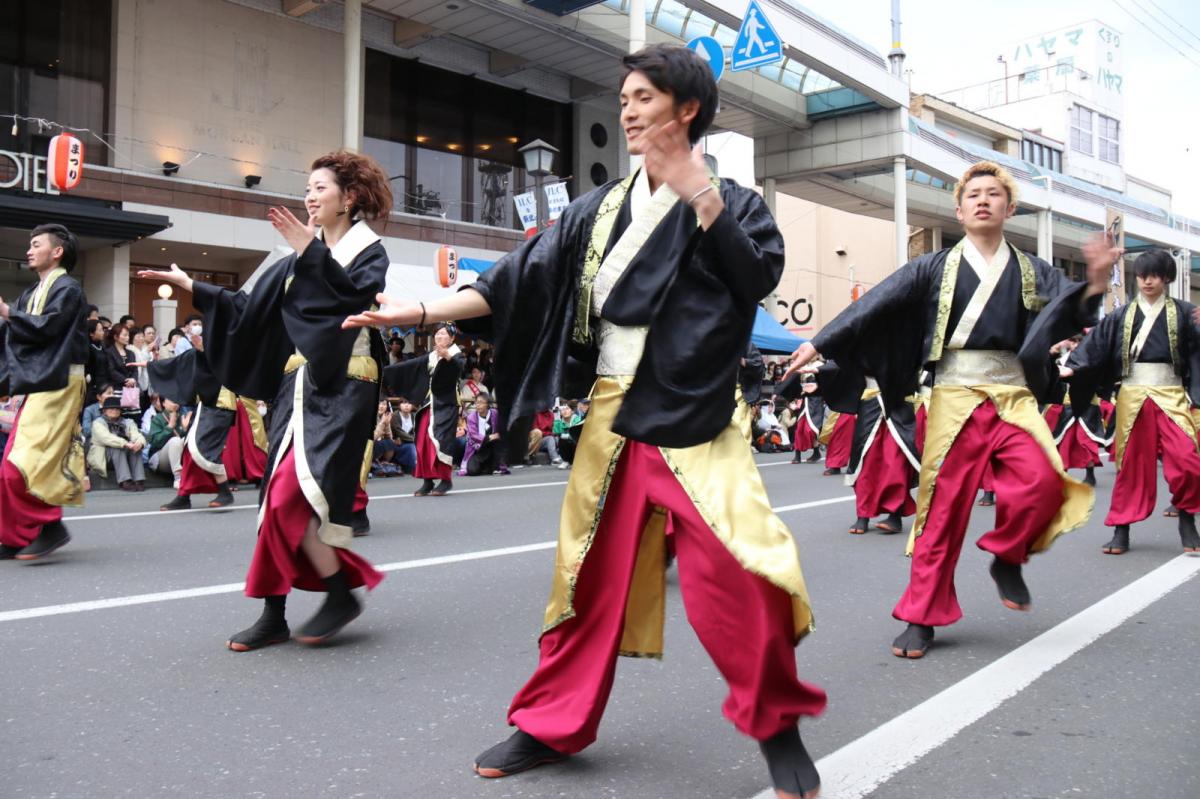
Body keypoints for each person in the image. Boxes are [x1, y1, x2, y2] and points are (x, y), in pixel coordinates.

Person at [344, 44, 824, 799]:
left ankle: (777, 724)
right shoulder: (598, 209)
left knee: (737, 571)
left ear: (686, 109)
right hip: (611, 412)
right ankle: (551, 719)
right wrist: (422, 309)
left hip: (695, 415)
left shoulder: (734, 199)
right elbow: (515, 281)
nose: (627, 110)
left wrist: (702, 196)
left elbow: (756, 274)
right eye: (624, 97)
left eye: (642, 97)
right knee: (584, 577)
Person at [786, 160, 1115, 660]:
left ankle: (1007, 555)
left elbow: (1072, 310)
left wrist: (1095, 280)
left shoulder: (1032, 269)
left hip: (1012, 395)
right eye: (973, 195)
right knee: (941, 511)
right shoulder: (932, 267)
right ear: (959, 211)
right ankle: (921, 615)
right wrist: (820, 342)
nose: (983, 200)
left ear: (1010, 208)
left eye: (993, 194)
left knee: (1046, 483)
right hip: (954, 396)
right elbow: (875, 303)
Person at [141, 149, 391, 650]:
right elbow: (248, 309)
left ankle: (334, 593)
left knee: (295, 495)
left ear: (352, 197)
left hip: (344, 383)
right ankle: (277, 612)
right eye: (308, 188)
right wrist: (192, 285)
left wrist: (308, 252)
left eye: (320, 188)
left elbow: (348, 301)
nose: (309, 196)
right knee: (274, 501)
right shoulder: (297, 256)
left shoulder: (369, 251)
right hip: (294, 385)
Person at [1063, 249, 1200, 555]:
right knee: (1131, 465)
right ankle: (1121, 528)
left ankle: (1187, 518)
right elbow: (1095, 345)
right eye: (1141, 275)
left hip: (1172, 394)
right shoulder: (1121, 315)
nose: (1146, 281)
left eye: (1153, 275)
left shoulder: (1186, 312)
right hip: (1132, 395)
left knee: (1189, 460)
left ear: (1166, 277)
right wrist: (1073, 365)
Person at [0, 223, 89, 561]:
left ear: (57, 252)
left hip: (60, 381)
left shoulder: (67, 288)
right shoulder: (31, 293)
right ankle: (13, 537)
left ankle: (50, 526)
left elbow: (48, 328)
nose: (28, 250)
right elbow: (12, 334)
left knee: (24, 463)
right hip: (39, 382)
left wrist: (9, 314)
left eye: (35, 244)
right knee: (10, 462)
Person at [151, 342, 267, 512]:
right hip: (206, 403)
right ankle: (184, 495)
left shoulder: (229, 344)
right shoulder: (211, 342)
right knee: (190, 449)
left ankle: (225, 491)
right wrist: (152, 365)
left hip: (221, 403)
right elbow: (187, 362)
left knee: (205, 448)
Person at [385, 323, 465, 496]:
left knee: (441, 441)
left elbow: (459, 368)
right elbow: (410, 366)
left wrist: (448, 358)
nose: (439, 337)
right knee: (422, 440)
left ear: (452, 338)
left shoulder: (456, 354)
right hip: (429, 404)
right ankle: (427, 481)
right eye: (437, 334)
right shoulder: (432, 356)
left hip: (446, 404)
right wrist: (386, 371)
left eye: (443, 334)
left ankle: (445, 480)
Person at [88, 396, 147, 491]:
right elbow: (106, 438)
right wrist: (125, 443)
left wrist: (139, 443)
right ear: (104, 411)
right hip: (104, 457)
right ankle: (125, 481)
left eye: (117, 408)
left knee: (136, 446)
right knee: (117, 447)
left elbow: (137, 435)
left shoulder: (128, 422)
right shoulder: (98, 423)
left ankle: (138, 480)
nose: (115, 410)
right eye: (111, 408)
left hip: (124, 456)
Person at [146, 396, 190, 488]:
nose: (174, 402)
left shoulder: (183, 417)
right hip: (159, 459)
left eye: (176, 399)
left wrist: (185, 430)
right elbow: (155, 442)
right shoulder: (158, 418)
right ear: (163, 403)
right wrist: (169, 427)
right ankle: (178, 478)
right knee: (175, 441)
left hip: (179, 459)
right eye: (170, 399)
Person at [459, 393, 505, 475]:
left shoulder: (495, 413)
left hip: (493, 447)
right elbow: (473, 435)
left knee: (498, 442)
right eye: (476, 402)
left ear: (487, 404)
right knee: (472, 470)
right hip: (478, 448)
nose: (478, 405)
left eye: (481, 402)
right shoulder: (471, 417)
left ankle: (496, 465)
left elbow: (502, 428)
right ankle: (486, 467)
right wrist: (490, 437)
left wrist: (498, 434)